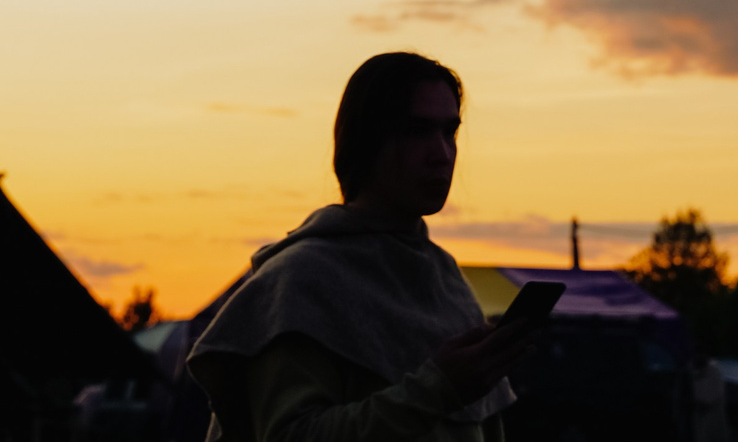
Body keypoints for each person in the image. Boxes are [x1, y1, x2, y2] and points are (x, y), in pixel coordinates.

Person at [188, 53, 546, 442]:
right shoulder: (300, 282)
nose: (442, 154)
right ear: (366, 140)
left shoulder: (448, 287)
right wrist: (439, 388)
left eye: (449, 132)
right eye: (417, 131)